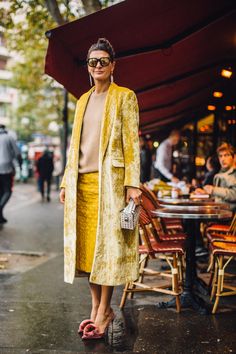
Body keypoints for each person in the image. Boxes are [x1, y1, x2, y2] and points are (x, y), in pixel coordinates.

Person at [59, 38, 141, 339]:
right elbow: (73, 147)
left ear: (113, 64)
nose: (97, 66)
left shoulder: (125, 97)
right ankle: (95, 306)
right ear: (88, 66)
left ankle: (106, 309)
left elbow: (132, 143)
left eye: (103, 60)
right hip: (82, 184)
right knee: (86, 251)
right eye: (93, 61)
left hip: (112, 184)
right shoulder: (82, 100)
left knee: (108, 249)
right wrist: (66, 181)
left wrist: (133, 185)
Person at [196, 143, 236, 211]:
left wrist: (214, 190)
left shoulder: (234, 173)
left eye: (226, 155)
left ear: (234, 157)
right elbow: (219, 197)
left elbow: (234, 195)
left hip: (228, 216)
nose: (223, 159)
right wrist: (206, 193)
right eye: (220, 156)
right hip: (218, 211)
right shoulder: (221, 173)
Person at [0, 124, 21, 224]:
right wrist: (20, 165)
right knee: (7, 191)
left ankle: (0, 216)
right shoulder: (9, 138)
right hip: (6, 169)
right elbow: (18, 153)